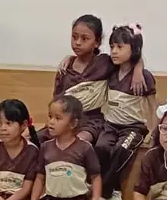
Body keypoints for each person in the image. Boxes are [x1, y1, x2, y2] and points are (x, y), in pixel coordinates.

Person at [54, 14, 147, 143]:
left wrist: (138, 69)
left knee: (76, 142)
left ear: (97, 42)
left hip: (91, 123)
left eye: (84, 38)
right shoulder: (65, 68)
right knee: (38, 139)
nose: (78, 42)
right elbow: (57, 101)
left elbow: (130, 58)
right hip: (66, 121)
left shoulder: (104, 63)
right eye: (74, 37)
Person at [95, 24, 157, 200]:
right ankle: (109, 190)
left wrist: (153, 132)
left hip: (133, 127)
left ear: (134, 49)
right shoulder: (111, 71)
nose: (114, 51)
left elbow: (153, 107)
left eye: (120, 47)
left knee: (121, 150)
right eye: (112, 46)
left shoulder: (144, 76)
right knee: (101, 147)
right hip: (110, 125)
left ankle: (106, 192)